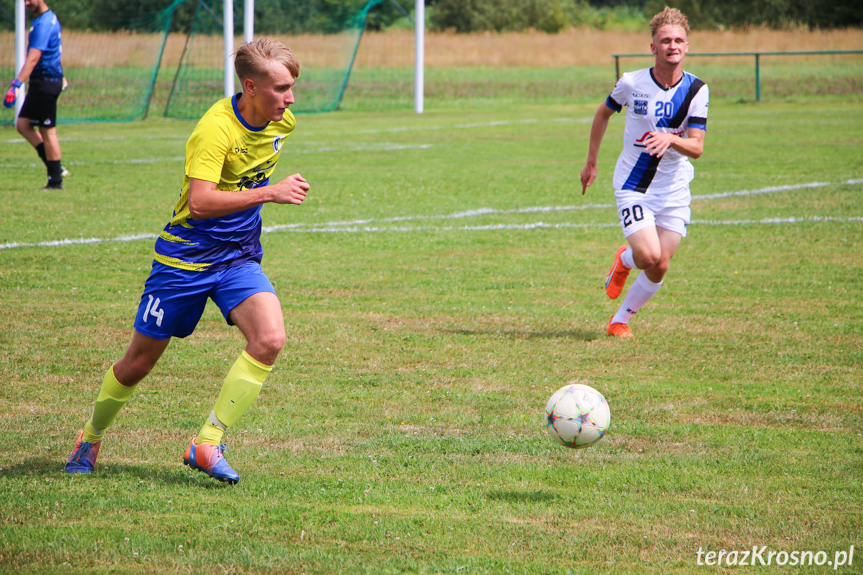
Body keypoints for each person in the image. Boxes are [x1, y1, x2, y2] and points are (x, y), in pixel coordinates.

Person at [64, 37, 310, 484]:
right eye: (280, 88)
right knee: (137, 364)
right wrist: (271, 193)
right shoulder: (215, 129)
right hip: (185, 260)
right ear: (250, 87)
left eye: (292, 86)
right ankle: (91, 436)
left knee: (270, 339)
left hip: (236, 257)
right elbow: (199, 203)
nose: (290, 98)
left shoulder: (282, 122)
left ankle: (207, 441)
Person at [580, 6, 708, 338]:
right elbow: (602, 115)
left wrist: (671, 138)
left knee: (660, 264)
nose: (672, 46)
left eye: (679, 40)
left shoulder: (697, 90)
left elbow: (696, 147)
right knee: (648, 254)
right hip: (634, 185)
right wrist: (591, 161)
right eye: (665, 40)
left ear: (687, 46)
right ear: (653, 46)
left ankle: (619, 320)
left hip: (674, 188)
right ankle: (627, 258)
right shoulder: (631, 83)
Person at [4, 0, 69, 190]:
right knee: (23, 125)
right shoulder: (44, 19)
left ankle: (55, 181)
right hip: (42, 82)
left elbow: (33, 59)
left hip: (46, 83)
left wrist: (16, 85)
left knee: (48, 131)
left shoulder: (43, 23)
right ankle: (55, 167)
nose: (26, 3)